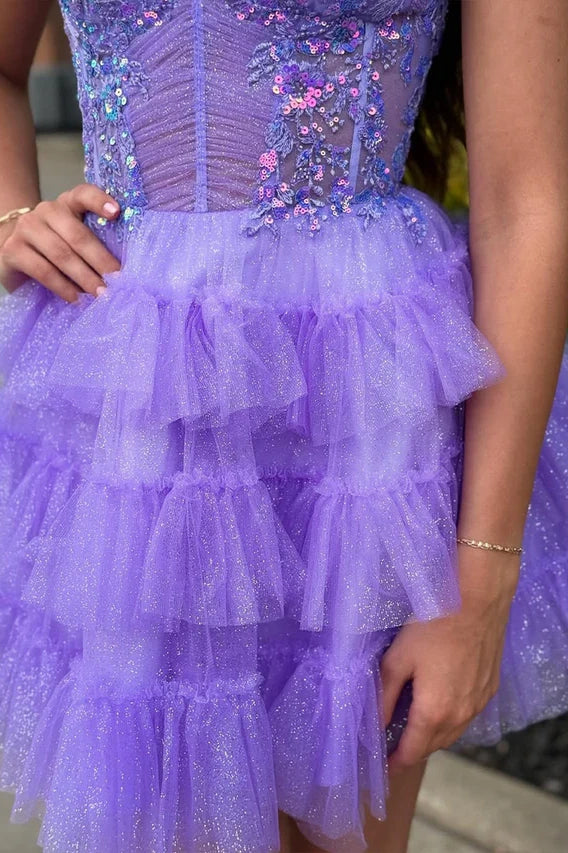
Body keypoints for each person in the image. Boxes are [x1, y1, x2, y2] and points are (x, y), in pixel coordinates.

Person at [0, 1, 567, 852]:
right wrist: (12, 216)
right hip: (136, 409)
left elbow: (526, 204)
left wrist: (479, 584)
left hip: (360, 426)